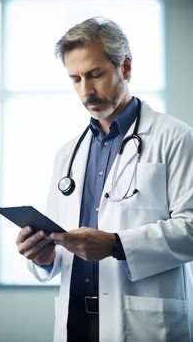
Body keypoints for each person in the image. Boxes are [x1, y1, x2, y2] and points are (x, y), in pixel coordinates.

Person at [16, 17, 193, 342]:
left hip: (145, 323)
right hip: (76, 322)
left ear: (124, 68)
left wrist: (115, 244)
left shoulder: (175, 138)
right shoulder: (67, 153)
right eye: (76, 79)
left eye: (95, 74)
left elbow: (191, 230)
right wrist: (44, 256)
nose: (86, 90)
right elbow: (60, 240)